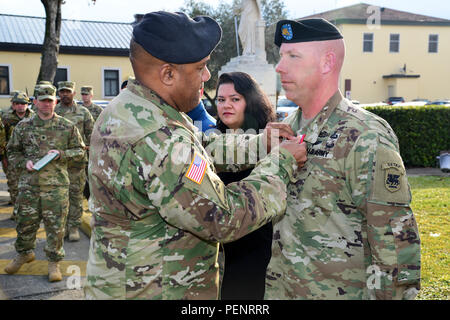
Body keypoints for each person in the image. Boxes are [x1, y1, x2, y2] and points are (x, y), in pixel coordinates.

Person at [84, 11, 307, 300]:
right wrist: (281, 163)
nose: (207, 75)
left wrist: (261, 143)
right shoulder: (158, 137)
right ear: (168, 74)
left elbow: (200, 150)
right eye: (200, 67)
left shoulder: (133, 107)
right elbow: (223, 217)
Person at [263, 18, 421, 300]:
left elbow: (395, 248)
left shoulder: (366, 136)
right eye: (281, 56)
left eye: (293, 56)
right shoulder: (287, 129)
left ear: (327, 63)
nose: (279, 66)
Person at [4, 85, 85, 282]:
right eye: (43, 100)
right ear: (35, 102)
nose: (47, 104)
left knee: (56, 227)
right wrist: (25, 163)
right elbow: (12, 152)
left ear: (55, 102)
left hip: (55, 187)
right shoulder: (23, 127)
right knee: (25, 223)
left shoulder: (66, 127)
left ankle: (53, 262)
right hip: (28, 185)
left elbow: (81, 153)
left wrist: (61, 154)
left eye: (50, 100)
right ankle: (24, 253)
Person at [214, 72, 276, 300]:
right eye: (221, 100)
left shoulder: (269, 140)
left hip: (256, 250)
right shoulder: (209, 139)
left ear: (250, 101)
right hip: (219, 253)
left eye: (235, 99)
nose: (226, 105)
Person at [55, 81, 94, 242]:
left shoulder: (83, 112)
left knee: (76, 195)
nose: (65, 94)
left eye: (68, 91)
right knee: (58, 196)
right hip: (56, 163)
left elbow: (92, 135)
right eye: (62, 91)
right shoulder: (54, 111)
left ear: (74, 93)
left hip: (77, 162)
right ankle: (61, 227)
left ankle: (74, 227)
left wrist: (91, 152)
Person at [1, 91, 34, 213]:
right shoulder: (5, 117)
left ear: (27, 104)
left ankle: (29, 211)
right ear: (13, 105)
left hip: (30, 158)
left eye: (23, 103)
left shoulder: (34, 117)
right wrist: (3, 158)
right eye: (17, 103)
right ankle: (17, 211)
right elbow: (1, 138)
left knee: (30, 187)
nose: (20, 106)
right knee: (14, 186)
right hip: (12, 158)